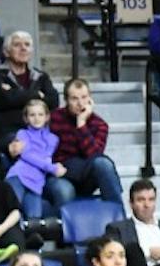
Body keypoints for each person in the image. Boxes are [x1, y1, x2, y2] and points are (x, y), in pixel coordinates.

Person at [48, 77, 125, 207]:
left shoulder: (100, 125)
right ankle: (67, 227)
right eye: (74, 99)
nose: (80, 103)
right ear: (66, 100)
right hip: (58, 173)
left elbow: (94, 155)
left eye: (84, 97)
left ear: (90, 99)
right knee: (64, 191)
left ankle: (119, 218)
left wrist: (81, 125)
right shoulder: (52, 119)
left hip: (85, 173)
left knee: (103, 164)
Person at [0, 30, 60, 147]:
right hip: (7, 132)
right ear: (6, 52)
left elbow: (53, 101)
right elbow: (6, 99)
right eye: (17, 45)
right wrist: (37, 95)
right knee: (25, 145)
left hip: (38, 131)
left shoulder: (40, 76)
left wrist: (16, 95)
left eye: (27, 45)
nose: (23, 48)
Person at [4, 99, 67, 218]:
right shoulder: (22, 134)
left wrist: (51, 166)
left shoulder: (53, 139)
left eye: (40, 114)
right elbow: (27, 155)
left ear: (47, 117)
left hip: (36, 182)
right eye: (32, 115)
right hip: (18, 176)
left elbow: (45, 158)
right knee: (12, 210)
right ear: (26, 118)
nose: (36, 118)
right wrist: (53, 168)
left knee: (34, 217)